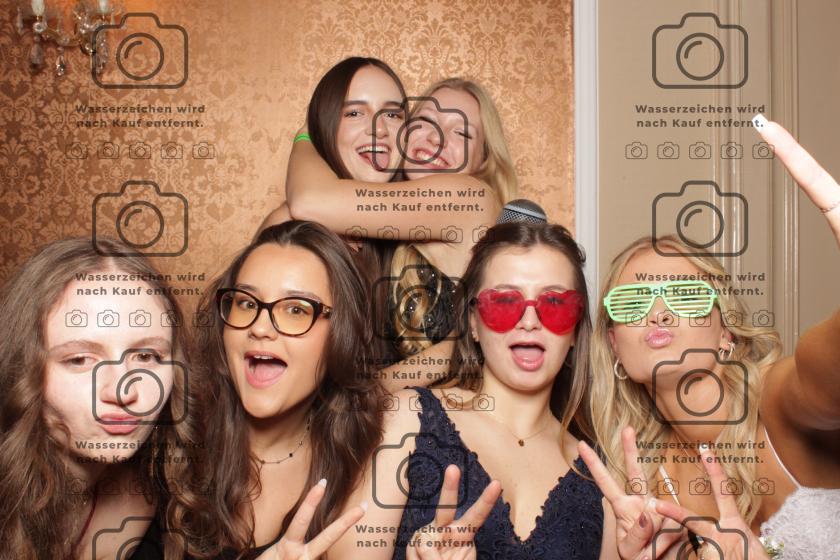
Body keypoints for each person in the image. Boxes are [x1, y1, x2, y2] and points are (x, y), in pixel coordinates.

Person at [580, 116, 840, 559]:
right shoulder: (639, 478)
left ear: (726, 331)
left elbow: (825, 374)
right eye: (633, 301)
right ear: (614, 345)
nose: (658, 312)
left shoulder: (776, 404)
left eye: (685, 295)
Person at [327, 222, 612, 559]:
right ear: (474, 323)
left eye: (554, 302)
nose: (529, 321)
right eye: (504, 301)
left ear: (576, 328)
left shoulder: (598, 470)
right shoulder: (407, 419)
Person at [280, 76, 518, 389]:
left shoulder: (471, 198)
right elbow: (291, 217)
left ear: (483, 159)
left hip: (454, 415)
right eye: (425, 122)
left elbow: (309, 200)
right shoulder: (386, 231)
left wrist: (309, 133)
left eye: (461, 132)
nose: (436, 139)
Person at [168, 221, 377, 558]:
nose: (261, 327)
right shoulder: (171, 442)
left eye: (296, 309)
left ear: (343, 334)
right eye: (247, 303)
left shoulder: (363, 465)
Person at [0, 237, 199, 560]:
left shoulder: (158, 490)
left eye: (146, 356)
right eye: (80, 359)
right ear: (21, 370)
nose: (123, 391)